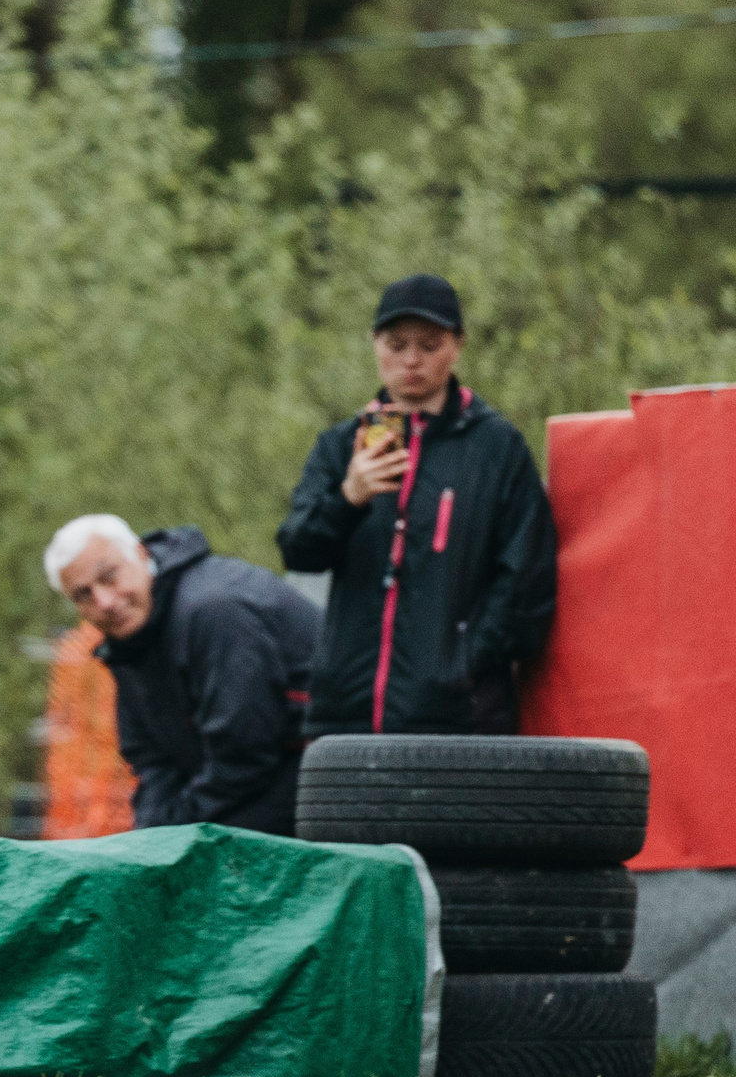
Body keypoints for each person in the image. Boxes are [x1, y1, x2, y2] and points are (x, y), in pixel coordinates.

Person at [276, 273, 558, 735]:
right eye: (396, 344)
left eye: (429, 345)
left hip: (457, 716)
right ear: (374, 344)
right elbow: (299, 552)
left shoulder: (496, 449)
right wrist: (349, 498)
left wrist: (463, 665)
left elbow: (528, 581)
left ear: (458, 345)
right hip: (346, 712)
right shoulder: (341, 445)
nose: (411, 360)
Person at [43, 515, 322, 835]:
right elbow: (152, 763)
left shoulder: (213, 609)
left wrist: (172, 833)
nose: (104, 602)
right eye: (83, 595)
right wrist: (151, 837)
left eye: (109, 577)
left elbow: (244, 753)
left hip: (319, 779)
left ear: (141, 553)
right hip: (248, 789)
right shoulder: (129, 644)